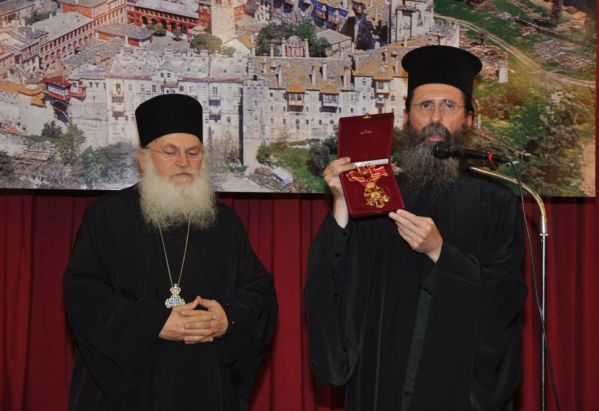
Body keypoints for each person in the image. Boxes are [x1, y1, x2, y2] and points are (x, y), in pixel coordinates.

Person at [304, 45, 527, 410]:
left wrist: (440, 253)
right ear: (408, 117)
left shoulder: (496, 202)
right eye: (425, 106)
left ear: (469, 120)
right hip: (382, 382)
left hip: (456, 388)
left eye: (449, 105)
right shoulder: (377, 192)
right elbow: (336, 284)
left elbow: (505, 298)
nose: (436, 117)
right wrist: (341, 204)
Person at [64, 94, 277, 410]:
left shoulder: (225, 222)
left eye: (193, 152)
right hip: (131, 391)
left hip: (206, 384)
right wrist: (153, 323)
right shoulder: (106, 216)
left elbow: (259, 293)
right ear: (143, 158)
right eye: (170, 152)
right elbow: (84, 295)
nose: (183, 162)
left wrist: (227, 316)